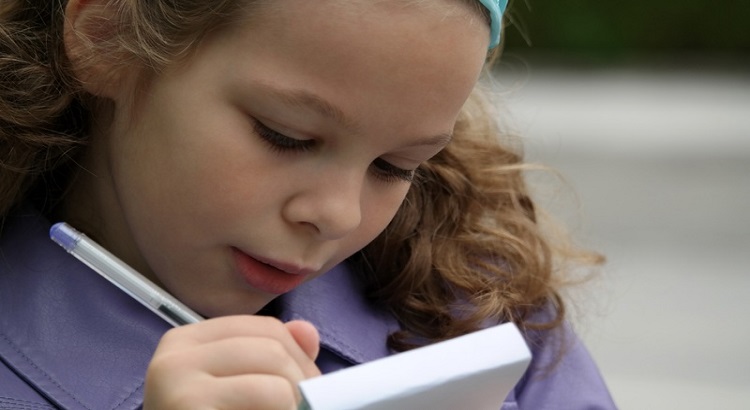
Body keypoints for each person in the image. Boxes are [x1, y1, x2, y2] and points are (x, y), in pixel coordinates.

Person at [0, 0, 616, 408]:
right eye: (285, 135)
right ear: (105, 36)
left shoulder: (482, 308)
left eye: (395, 167)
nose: (339, 215)